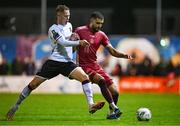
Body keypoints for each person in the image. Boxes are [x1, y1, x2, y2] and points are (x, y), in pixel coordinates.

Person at [6, 5, 105, 121]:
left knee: (84, 77)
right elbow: (63, 42)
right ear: (59, 15)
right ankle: (15, 106)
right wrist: (79, 42)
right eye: (66, 16)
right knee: (32, 85)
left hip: (67, 63)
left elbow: (69, 41)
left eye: (69, 15)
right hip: (54, 62)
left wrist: (74, 41)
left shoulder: (69, 26)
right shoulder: (53, 29)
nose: (68, 18)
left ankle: (91, 105)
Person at [74, 11, 133, 119]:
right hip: (83, 66)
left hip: (95, 65)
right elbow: (72, 47)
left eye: (101, 23)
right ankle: (115, 107)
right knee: (101, 80)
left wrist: (124, 55)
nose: (99, 26)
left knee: (115, 91)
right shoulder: (79, 30)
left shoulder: (101, 35)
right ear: (91, 21)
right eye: (97, 23)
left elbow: (112, 51)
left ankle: (111, 114)